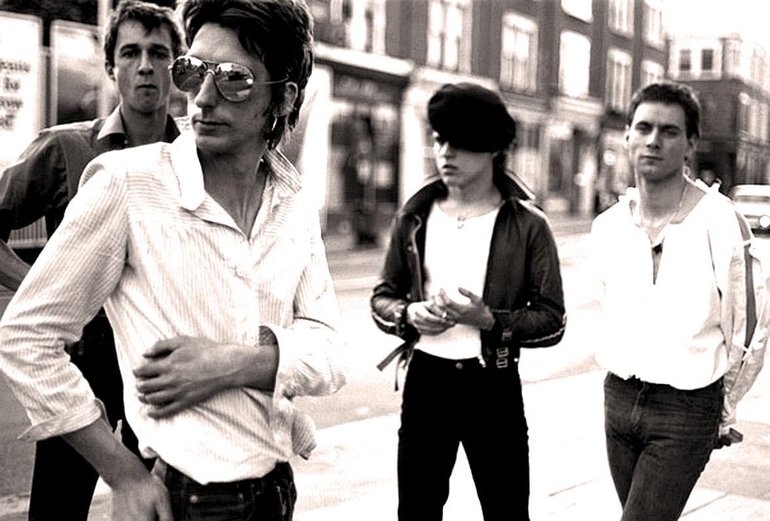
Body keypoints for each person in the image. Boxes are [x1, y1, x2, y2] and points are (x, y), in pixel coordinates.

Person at [0, 0, 347, 520]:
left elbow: (331, 355)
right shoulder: (127, 182)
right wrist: (123, 475)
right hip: (186, 498)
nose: (202, 97)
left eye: (233, 79)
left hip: (276, 490)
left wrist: (229, 364)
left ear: (283, 97)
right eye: (193, 71)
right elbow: (27, 336)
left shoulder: (292, 203)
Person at [0, 1, 184, 519]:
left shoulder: (194, 159)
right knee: (56, 511)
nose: (145, 66)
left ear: (176, 66)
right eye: (131, 53)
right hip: (78, 367)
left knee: (157, 509)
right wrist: (42, 288)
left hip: (158, 371)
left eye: (159, 53)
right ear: (110, 66)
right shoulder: (65, 150)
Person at [370, 82, 566, 521]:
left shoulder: (528, 225)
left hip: (492, 385)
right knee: (416, 511)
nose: (445, 153)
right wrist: (409, 314)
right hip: (426, 382)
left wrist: (491, 320)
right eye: (440, 140)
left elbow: (553, 320)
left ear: (493, 148)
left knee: (506, 511)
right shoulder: (414, 216)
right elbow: (382, 297)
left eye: (460, 143)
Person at [590, 80, 769, 520]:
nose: (653, 140)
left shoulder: (721, 220)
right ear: (627, 136)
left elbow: (749, 328)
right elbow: (609, 310)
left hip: (685, 406)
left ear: (690, 144)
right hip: (618, 399)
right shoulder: (608, 226)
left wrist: (722, 410)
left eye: (669, 131)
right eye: (644, 128)